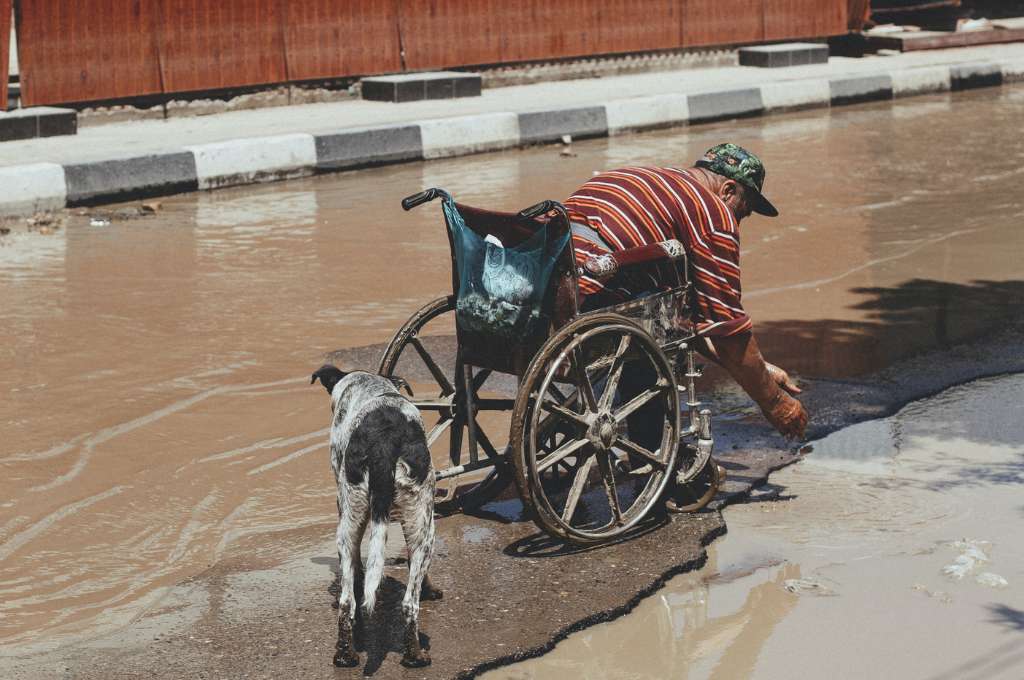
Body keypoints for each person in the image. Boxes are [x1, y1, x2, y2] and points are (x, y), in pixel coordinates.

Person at [565, 143, 808, 439]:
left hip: (552, 285)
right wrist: (776, 402)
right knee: (654, 336)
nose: (737, 224)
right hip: (590, 295)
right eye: (741, 214)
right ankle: (649, 454)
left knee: (660, 315)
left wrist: (762, 370)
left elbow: (692, 324)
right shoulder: (713, 211)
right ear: (728, 191)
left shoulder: (644, 178)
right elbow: (728, 330)